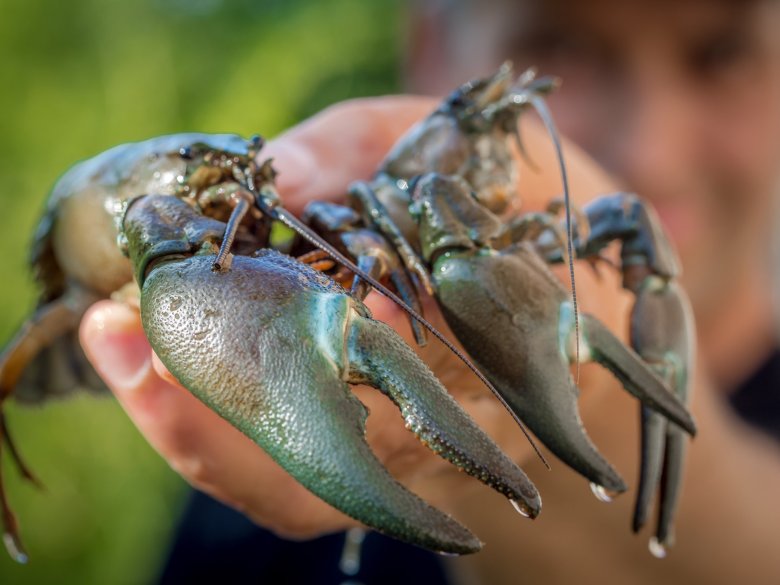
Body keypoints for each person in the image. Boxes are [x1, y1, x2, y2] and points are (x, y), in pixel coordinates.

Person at [79, 0, 780, 583]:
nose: (652, 149)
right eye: (559, 45)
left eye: (722, 56)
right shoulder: (238, 525)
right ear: (428, 50)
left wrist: (609, 408)